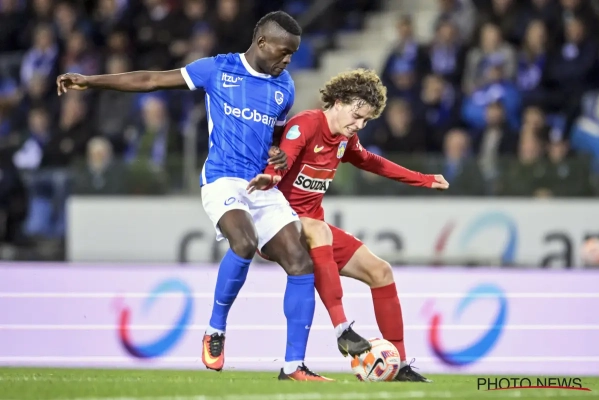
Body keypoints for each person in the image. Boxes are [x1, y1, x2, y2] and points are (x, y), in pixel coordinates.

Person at [56, 11, 333, 381]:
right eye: (284, 52)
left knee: (301, 263)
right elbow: (152, 79)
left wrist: (278, 153)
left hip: (261, 185)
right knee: (244, 242)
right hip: (222, 180)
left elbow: (276, 140)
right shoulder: (217, 69)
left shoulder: (284, 87)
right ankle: (215, 329)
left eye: (292, 54)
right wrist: (90, 81)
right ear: (262, 42)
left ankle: (293, 366)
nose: (287, 60)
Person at [248, 69, 449, 382]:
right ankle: (342, 328)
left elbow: (370, 161)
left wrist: (422, 179)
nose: (359, 125)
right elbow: (283, 159)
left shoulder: (345, 138)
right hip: (276, 226)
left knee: (380, 271)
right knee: (319, 229)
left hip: (311, 229)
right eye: (357, 116)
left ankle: (398, 365)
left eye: (366, 120)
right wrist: (271, 177)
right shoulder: (306, 124)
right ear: (338, 102)